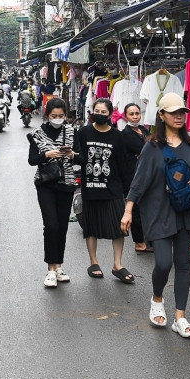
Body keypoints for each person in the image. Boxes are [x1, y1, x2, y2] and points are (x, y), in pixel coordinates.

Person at [121, 92, 190, 337]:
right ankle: (157, 299)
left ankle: (180, 316)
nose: (179, 116)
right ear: (161, 115)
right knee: (164, 262)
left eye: (182, 112)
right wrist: (128, 211)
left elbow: (189, 175)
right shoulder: (152, 147)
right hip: (157, 211)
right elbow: (139, 180)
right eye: (173, 112)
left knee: (183, 264)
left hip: (184, 210)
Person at [75, 98, 133, 282]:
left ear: (110, 115)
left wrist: (127, 191)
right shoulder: (83, 132)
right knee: (90, 227)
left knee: (119, 227)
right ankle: (94, 262)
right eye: (96, 111)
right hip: (91, 188)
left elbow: (123, 164)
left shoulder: (117, 136)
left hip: (113, 188)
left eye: (103, 112)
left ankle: (118, 264)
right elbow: (79, 158)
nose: (99, 115)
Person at [29, 98, 78, 288]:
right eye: (54, 116)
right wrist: (46, 155)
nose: (58, 119)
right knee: (51, 225)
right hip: (45, 183)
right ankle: (50, 269)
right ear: (47, 115)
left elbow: (80, 156)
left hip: (66, 182)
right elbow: (32, 160)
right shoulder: (37, 134)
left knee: (63, 226)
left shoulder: (72, 132)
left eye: (61, 116)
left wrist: (72, 154)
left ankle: (59, 266)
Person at [119, 103, 149, 254]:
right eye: (132, 114)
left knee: (144, 207)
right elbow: (145, 150)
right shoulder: (126, 134)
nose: (135, 116)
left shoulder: (143, 130)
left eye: (137, 113)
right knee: (135, 209)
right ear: (125, 116)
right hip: (132, 176)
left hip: (143, 174)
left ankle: (145, 239)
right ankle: (139, 242)